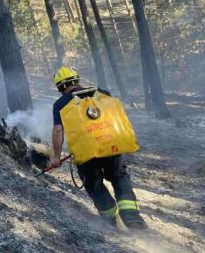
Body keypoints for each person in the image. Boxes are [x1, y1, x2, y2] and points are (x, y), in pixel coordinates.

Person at [50, 66, 147, 230]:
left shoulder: (61, 104)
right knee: (119, 177)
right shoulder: (102, 93)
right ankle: (132, 218)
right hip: (112, 146)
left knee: (94, 184)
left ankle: (109, 221)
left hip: (87, 153)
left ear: (60, 86)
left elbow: (58, 130)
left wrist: (56, 157)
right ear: (77, 80)